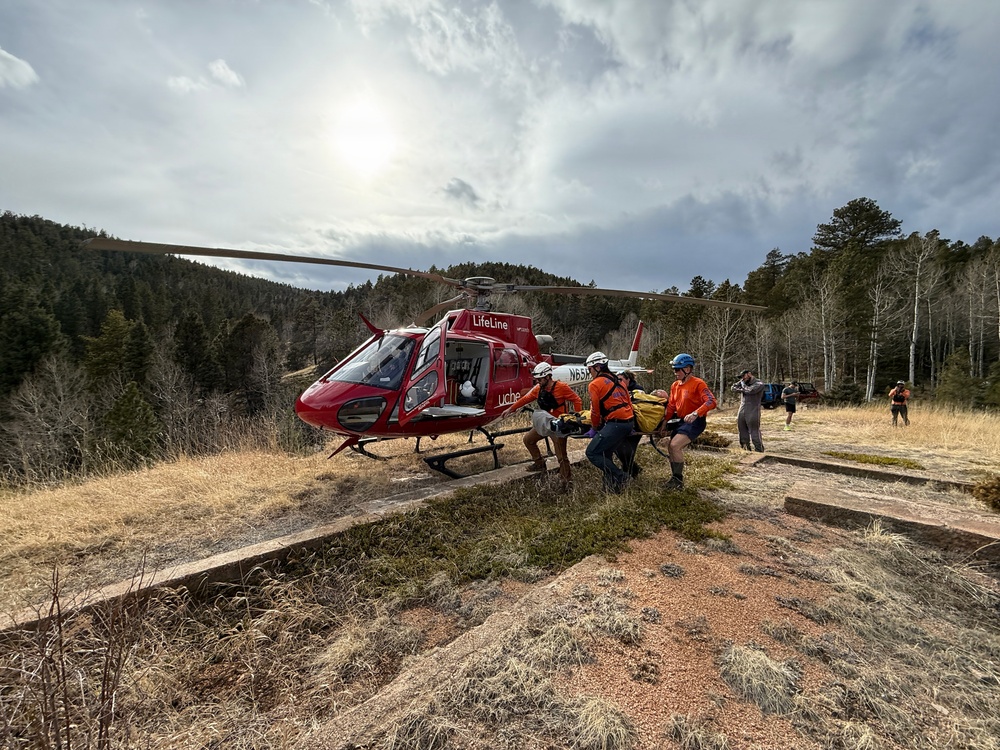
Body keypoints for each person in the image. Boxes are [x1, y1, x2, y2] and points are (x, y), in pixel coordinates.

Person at [502, 361, 582, 491]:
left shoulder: (561, 387)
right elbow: (525, 399)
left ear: (548, 377)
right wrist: (511, 409)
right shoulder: (538, 389)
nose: (538, 381)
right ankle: (539, 463)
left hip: (558, 426)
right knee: (528, 440)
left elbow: (577, 399)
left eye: (540, 379)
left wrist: (576, 418)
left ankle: (566, 482)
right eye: (537, 379)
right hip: (545, 423)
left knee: (561, 456)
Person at [663, 353, 717, 490]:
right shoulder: (675, 385)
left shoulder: (698, 383)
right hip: (681, 421)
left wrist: (696, 413)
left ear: (687, 369)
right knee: (671, 447)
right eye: (674, 369)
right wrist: (664, 423)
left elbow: (711, 401)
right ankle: (675, 479)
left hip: (695, 421)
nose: (675, 372)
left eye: (677, 369)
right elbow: (671, 406)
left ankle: (678, 481)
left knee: (675, 446)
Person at [584, 351, 636, 494]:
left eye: (590, 369)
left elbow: (595, 411)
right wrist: (630, 424)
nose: (590, 373)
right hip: (628, 422)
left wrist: (594, 428)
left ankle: (622, 477)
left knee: (592, 452)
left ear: (597, 367)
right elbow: (628, 402)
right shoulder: (619, 380)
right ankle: (611, 488)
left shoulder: (595, 384)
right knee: (605, 454)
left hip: (616, 423)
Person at [732, 369, 765, 452]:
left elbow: (750, 391)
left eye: (744, 376)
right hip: (742, 408)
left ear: (749, 374)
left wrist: (742, 386)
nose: (742, 378)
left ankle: (759, 449)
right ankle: (745, 448)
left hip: (753, 409)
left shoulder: (759, 383)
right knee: (742, 428)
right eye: (741, 377)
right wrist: (741, 384)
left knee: (754, 430)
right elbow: (733, 388)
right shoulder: (743, 382)